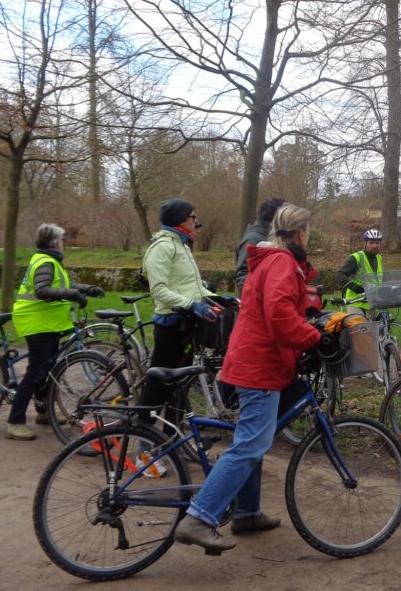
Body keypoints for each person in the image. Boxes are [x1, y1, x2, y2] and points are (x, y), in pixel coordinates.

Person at [173, 204, 321, 552]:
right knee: (250, 444)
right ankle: (199, 518)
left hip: (253, 359)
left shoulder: (271, 259)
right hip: (260, 366)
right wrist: (313, 336)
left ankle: (247, 512)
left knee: (254, 437)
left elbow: (278, 308)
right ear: (301, 233)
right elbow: (280, 316)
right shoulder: (282, 262)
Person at [8, 223, 105, 441]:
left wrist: (87, 289)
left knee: (47, 369)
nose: (64, 244)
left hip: (47, 323)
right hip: (37, 323)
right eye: (62, 240)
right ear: (55, 242)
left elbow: (64, 285)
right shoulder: (46, 262)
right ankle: (15, 422)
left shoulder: (50, 261)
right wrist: (73, 295)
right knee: (35, 373)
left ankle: (43, 412)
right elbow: (42, 290)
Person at [138, 199, 217, 424]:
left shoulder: (182, 245)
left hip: (186, 324)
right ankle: (144, 434)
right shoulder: (162, 247)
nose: (195, 221)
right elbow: (159, 290)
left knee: (181, 385)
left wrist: (217, 300)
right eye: (192, 217)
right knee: (157, 386)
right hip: (170, 324)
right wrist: (191, 304)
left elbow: (193, 286)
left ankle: (172, 435)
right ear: (180, 220)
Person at [234, 196, 285, 295]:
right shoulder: (252, 240)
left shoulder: (274, 236)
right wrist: (268, 292)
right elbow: (242, 277)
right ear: (277, 219)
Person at [335, 227, 384, 317]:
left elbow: (379, 278)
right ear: (365, 243)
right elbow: (340, 275)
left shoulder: (379, 258)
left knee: (375, 326)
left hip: (372, 303)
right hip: (356, 302)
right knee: (359, 326)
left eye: (377, 243)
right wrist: (355, 287)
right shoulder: (356, 258)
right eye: (371, 242)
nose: (375, 246)